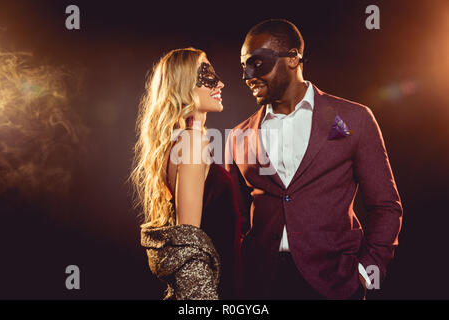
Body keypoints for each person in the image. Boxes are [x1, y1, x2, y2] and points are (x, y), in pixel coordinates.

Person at [225, 19, 403, 299]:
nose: (247, 75)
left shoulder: (355, 118)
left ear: (293, 58)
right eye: (243, 66)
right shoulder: (238, 136)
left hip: (335, 284)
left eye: (257, 63)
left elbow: (386, 206)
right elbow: (233, 220)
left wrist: (367, 272)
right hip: (260, 285)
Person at [131, 48, 241, 300]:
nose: (220, 82)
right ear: (185, 86)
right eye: (206, 74)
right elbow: (189, 245)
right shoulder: (191, 142)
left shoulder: (185, 140)